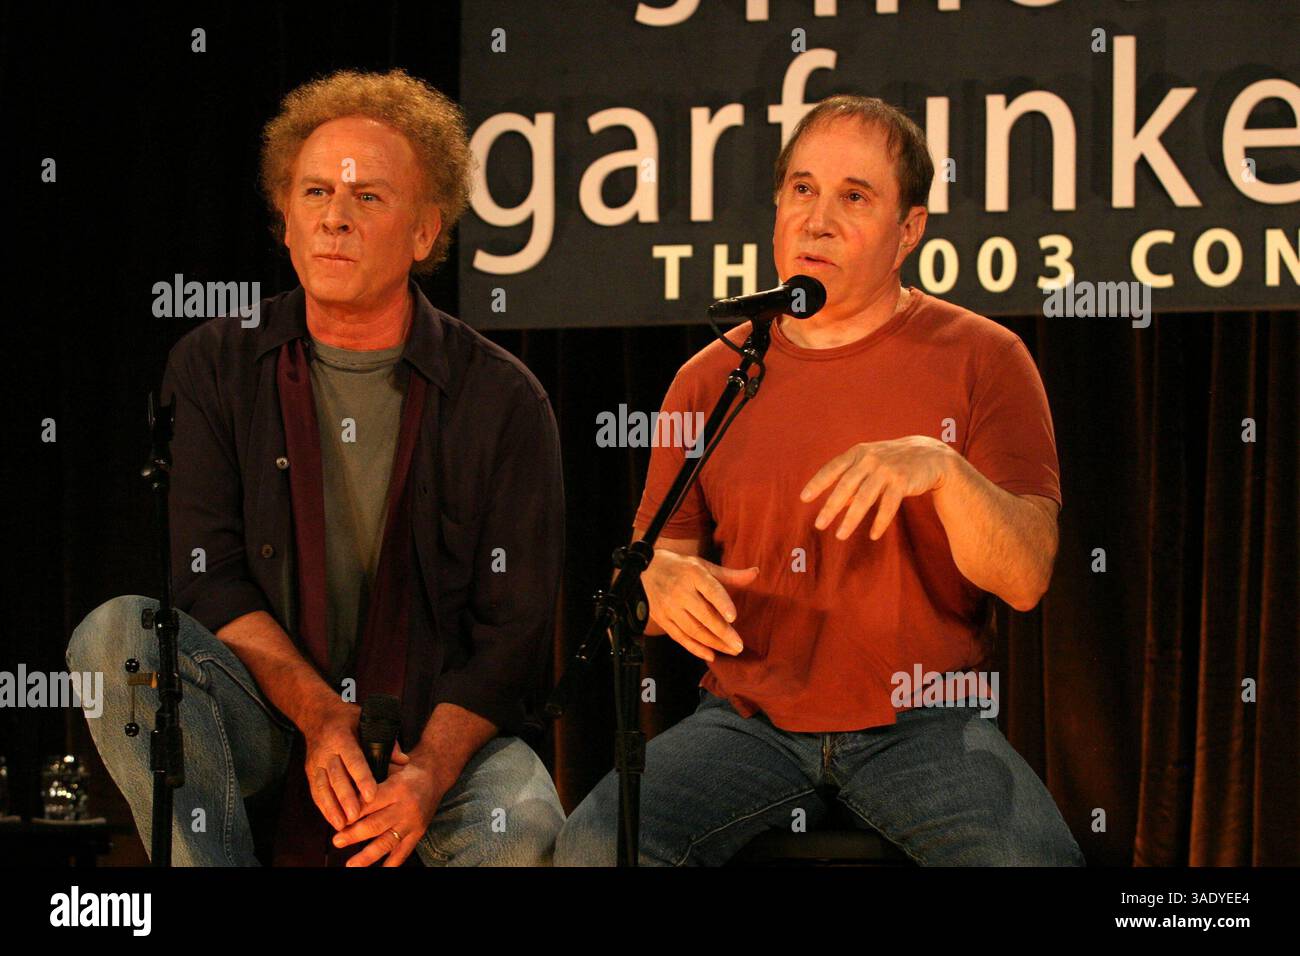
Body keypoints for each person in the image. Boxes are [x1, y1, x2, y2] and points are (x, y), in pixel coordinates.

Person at [556, 95, 1085, 866]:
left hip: (926, 720)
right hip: (745, 720)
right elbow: (643, 579)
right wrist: (658, 588)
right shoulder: (712, 379)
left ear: (909, 232)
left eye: (855, 197)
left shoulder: (986, 359)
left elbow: (1027, 574)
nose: (818, 219)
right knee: (593, 850)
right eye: (802, 189)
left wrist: (941, 471)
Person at [66, 69, 566, 866]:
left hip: (430, 736)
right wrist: (322, 717)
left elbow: (513, 635)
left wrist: (430, 772)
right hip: (267, 717)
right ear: (286, 223)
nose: (335, 218)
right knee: (116, 635)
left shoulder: (503, 398)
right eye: (313, 196)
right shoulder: (211, 366)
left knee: (527, 818)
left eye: (368, 197)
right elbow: (208, 576)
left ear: (425, 232)